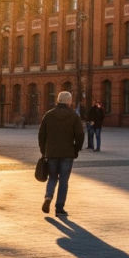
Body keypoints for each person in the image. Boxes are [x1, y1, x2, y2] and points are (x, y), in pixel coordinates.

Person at [38, 90, 85, 218]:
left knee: (52, 177)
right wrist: (76, 149)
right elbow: (80, 135)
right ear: (69, 101)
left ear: (58, 100)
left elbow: (41, 135)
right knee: (64, 180)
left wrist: (43, 150)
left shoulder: (49, 114)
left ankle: (48, 197)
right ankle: (59, 208)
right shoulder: (74, 116)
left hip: (51, 153)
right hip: (67, 153)